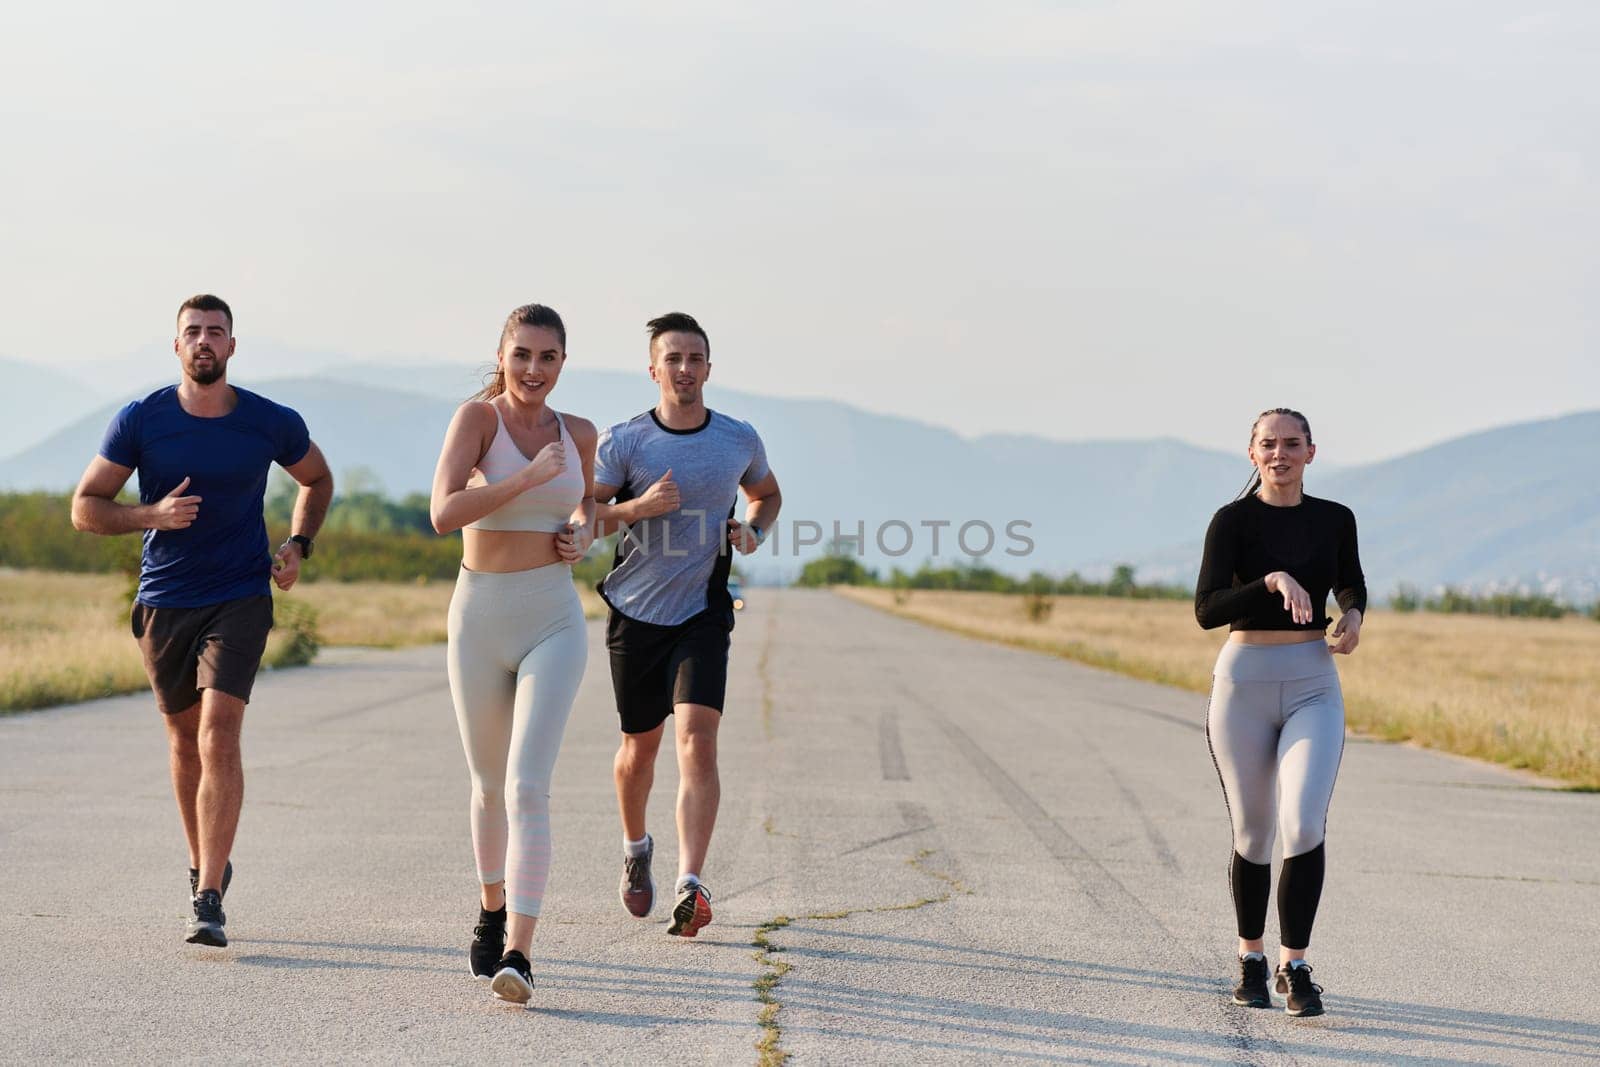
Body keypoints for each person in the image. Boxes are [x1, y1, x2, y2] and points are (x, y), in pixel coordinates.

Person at [70, 294, 333, 948]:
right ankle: (201, 865)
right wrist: (149, 515)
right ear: (177, 346)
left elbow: (317, 479)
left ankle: (209, 896)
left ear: (232, 346)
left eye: (216, 332)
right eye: (193, 332)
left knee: (219, 732)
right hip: (165, 598)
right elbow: (85, 507)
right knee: (185, 739)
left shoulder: (268, 421)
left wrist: (298, 545)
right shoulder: (142, 419)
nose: (205, 341)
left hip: (241, 593)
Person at [592, 312, 781, 938]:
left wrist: (752, 530)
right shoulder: (624, 442)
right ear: (653, 369)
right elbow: (586, 516)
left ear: (708, 368)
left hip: (703, 610)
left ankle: (690, 882)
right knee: (637, 750)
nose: (684, 369)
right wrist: (638, 508)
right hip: (635, 612)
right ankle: (635, 850)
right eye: (672, 359)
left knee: (698, 739)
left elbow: (767, 494)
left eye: (694, 358)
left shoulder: (737, 438)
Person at [429, 303, 597, 1005]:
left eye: (548, 357)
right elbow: (442, 513)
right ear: (501, 356)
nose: (534, 369)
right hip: (479, 616)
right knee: (488, 785)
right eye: (522, 354)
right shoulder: (477, 422)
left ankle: (522, 952)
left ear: (563, 362)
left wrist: (585, 531)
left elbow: (588, 507)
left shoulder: (580, 432)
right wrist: (526, 480)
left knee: (529, 785)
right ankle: (492, 906)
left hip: (554, 616)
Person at [1195, 407, 1366, 1018]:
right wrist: (1270, 581)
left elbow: (1351, 583)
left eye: (1291, 444)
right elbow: (1208, 609)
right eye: (1268, 444)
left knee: (1304, 826)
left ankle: (1296, 967)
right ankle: (1251, 958)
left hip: (1313, 684)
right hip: (1242, 684)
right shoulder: (1232, 522)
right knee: (1253, 831)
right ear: (1252, 453)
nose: (1280, 454)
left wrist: (1351, 615)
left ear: (1311, 453)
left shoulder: (1334, 519)